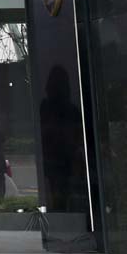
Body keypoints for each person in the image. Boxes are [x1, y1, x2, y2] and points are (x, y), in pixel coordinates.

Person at [40, 65, 85, 211]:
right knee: (63, 194)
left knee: (55, 194)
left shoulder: (45, 108)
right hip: (64, 159)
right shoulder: (72, 110)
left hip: (54, 159)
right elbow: (78, 137)